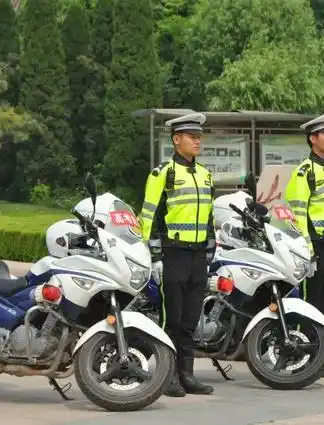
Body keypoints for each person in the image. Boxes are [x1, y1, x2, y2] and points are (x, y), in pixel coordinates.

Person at [139, 112, 216, 397]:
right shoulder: (163, 173)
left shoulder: (205, 175)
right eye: (192, 137)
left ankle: (187, 374)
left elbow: (208, 217)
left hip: (198, 256)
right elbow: (149, 215)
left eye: (199, 137)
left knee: (191, 320)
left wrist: (211, 247)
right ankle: (167, 375)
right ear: (176, 139)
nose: (198, 141)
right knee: (172, 319)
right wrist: (154, 256)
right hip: (173, 254)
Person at [284, 112, 324, 379]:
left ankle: (319, 357)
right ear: (312, 138)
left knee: (323, 305)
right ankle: (302, 357)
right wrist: (307, 251)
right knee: (309, 306)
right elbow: (297, 215)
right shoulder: (304, 172)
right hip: (316, 247)